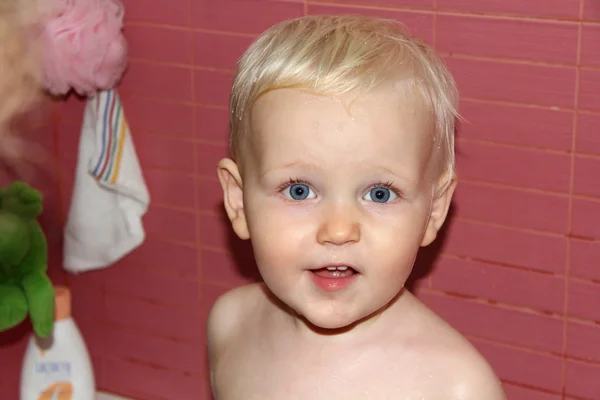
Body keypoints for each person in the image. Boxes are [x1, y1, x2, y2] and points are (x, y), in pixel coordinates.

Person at [208, 14, 506, 399]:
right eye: (299, 190)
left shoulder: (456, 388)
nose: (338, 230)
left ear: (434, 210)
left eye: (379, 194)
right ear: (238, 201)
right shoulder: (230, 326)